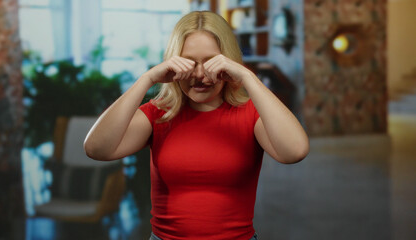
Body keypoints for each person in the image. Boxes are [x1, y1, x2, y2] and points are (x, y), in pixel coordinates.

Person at [84, 11, 309, 240]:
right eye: (189, 63)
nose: (200, 75)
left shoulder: (250, 114)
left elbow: (295, 151)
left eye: (211, 62)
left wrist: (247, 77)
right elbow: (96, 148)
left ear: (228, 61)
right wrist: (147, 79)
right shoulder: (158, 114)